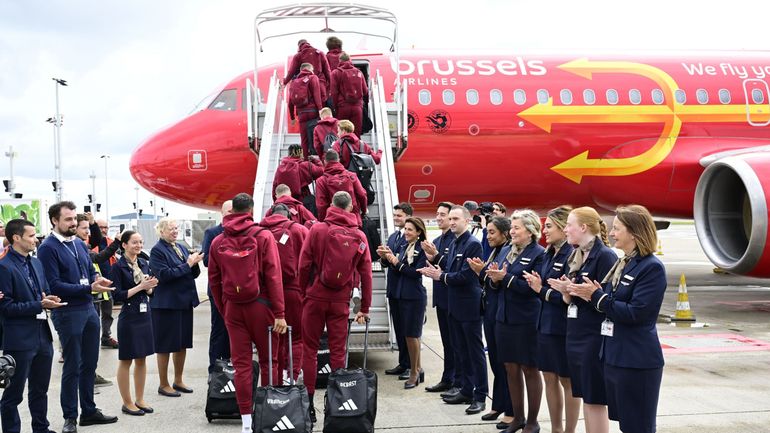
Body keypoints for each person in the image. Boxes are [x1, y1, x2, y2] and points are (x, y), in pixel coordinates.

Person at [569, 205, 667, 433]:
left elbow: (636, 313)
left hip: (636, 359)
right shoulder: (626, 263)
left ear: (633, 233)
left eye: (617, 229)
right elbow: (610, 300)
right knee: (626, 424)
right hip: (616, 356)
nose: (611, 233)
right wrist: (593, 295)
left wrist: (598, 297)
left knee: (638, 426)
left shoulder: (651, 268)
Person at [208, 193, 288, 433]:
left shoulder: (218, 241)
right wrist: (280, 313)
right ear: (251, 210)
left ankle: (245, 422)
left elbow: (214, 282)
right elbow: (274, 276)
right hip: (261, 306)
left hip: (234, 308)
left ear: (231, 212)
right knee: (269, 361)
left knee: (241, 365)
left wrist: (225, 309)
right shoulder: (262, 236)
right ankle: (270, 415)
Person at [37, 202, 118, 433]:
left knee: (89, 365)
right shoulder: (48, 248)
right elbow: (53, 285)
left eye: (74, 219)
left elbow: (90, 269)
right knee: (72, 366)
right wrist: (88, 288)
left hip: (89, 309)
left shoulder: (79, 245)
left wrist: (96, 279)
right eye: (68, 219)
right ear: (55, 220)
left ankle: (89, 412)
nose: (73, 223)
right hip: (67, 312)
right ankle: (70, 417)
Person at [298, 191, 372, 424]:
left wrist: (303, 291)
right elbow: (366, 274)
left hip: (315, 297)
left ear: (331, 205)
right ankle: (336, 405)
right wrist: (365, 307)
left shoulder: (318, 229)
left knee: (309, 349)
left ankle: (308, 404)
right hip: (341, 300)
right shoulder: (359, 236)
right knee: (338, 351)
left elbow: (303, 264)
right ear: (350, 208)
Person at [548, 207, 616, 433]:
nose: (565, 229)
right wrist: (567, 292)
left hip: (592, 335)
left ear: (583, 227)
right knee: (586, 395)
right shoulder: (577, 255)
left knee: (594, 397)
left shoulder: (604, 256)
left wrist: (579, 292)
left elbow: (607, 300)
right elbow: (572, 300)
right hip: (576, 333)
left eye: (569, 224)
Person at [419, 205, 488, 415]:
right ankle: (466, 390)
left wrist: (441, 277)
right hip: (455, 305)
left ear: (467, 221)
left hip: (468, 306)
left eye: (456, 218)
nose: (452, 222)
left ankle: (480, 396)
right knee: (461, 350)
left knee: (475, 353)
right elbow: (450, 267)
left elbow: (467, 276)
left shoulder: (473, 244)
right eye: (451, 219)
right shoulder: (456, 242)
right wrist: (437, 258)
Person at [0, 219, 65, 433]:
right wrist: (38, 304)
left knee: (40, 389)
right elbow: (7, 307)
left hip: (42, 335)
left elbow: (42, 292)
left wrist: (48, 299)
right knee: (13, 395)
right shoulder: (4, 266)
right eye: (31, 235)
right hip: (19, 339)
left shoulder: (36, 263)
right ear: (16, 238)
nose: (35, 239)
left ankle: (41, 428)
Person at [483, 210, 545, 433]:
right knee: (509, 367)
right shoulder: (507, 251)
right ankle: (517, 417)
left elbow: (532, 289)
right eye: (512, 228)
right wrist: (493, 278)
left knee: (530, 368)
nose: (512, 231)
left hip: (526, 320)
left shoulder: (539, 254)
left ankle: (533, 421)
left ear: (529, 230)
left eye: (516, 227)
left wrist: (505, 278)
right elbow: (494, 280)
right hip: (503, 317)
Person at [523, 206, 581, 433]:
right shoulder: (549, 252)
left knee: (567, 380)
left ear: (562, 227)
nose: (544, 230)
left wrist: (540, 289)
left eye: (549, 226)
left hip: (562, 324)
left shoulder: (571, 254)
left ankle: (569, 431)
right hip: (545, 323)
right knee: (548, 376)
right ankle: (556, 428)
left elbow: (566, 294)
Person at [467, 216, 514, 428]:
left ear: (505, 233)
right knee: (495, 361)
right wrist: (481, 273)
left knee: (504, 364)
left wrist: (483, 274)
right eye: (487, 231)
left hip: (501, 313)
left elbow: (500, 280)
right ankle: (499, 404)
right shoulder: (496, 250)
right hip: (490, 310)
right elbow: (490, 279)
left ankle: (509, 408)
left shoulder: (507, 251)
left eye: (493, 232)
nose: (488, 236)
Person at [149, 218, 203, 398]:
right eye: (171, 229)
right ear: (161, 231)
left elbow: (191, 273)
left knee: (182, 344)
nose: (175, 231)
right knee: (165, 345)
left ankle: (178, 380)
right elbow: (164, 275)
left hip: (183, 302)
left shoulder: (180, 247)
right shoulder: (157, 251)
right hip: (166, 305)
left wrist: (194, 263)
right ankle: (163, 384)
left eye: (176, 228)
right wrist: (187, 264)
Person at [260, 203, 310, 383]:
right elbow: (308, 262)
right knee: (296, 337)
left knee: (275, 338)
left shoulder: (259, 231)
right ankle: (292, 375)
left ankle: (277, 377)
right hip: (293, 290)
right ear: (289, 215)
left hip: (266, 294)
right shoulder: (298, 230)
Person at [111, 231, 159, 416]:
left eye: (140, 242)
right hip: (129, 317)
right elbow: (117, 295)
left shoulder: (144, 263)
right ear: (124, 245)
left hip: (145, 314)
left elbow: (151, 292)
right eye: (134, 242)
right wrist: (140, 287)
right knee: (126, 359)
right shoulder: (118, 266)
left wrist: (150, 288)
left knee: (142, 358)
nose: (138, 246)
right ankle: (127, 402)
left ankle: (140, 399)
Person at [382, 217, 428, 389]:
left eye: (410, 229)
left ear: (418, 232)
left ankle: (414, 372)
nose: (406, 232)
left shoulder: (422, 249)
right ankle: (416, 369)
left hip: (413, 296)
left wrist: (397, 262)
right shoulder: (404, 246)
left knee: (412, 335)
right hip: (401, 294)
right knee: (407, 334)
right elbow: (397, 268)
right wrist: (387, 258)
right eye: (406, 229)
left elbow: (416, 272)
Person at [420, 202, 459, 394]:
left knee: (456, 344)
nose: (439, 217)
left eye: (444, 215)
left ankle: (456, 381)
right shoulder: (439, 239)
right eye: (438, 214)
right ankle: (448, 378)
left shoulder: (454, 240)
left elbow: (452, 268)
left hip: (453, 298)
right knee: (447, 343)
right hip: (442, 298)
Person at [377, 202, 413, 380]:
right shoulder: (393, 237)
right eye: (395, 215)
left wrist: (392, 259)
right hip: (394, 290)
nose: (396, 218)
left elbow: (406, 265)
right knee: (399, 328)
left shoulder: (411, 239)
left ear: (408, 216)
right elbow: (387, 263)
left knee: (408, 330)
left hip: (406, 290)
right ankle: (403, 363)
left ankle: (411, 365)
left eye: (399, 215)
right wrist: (384, 258)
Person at [200, 200, 233, 375]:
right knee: (219, 330)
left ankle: (232, 366)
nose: (231, 214)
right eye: (228, 211)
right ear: (222, 213)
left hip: (237, 290)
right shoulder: (212, 233)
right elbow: (206, 260)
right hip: (218, 289)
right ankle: (215, 369)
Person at [89, 219, 120, 349]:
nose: (103, 229)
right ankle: (92, 340)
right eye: (100, 227)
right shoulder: (89, 242)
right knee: (94, 315)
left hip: (107, 283)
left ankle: (106, 337)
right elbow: (100, 257)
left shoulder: (109, 242)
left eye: (106, 227)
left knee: (107, 312)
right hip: (93, 285)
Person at [315, 150, 367, 226]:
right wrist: (364, 211)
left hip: (333, 223)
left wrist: (324, 222)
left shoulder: (321, 181)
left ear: (325, 162)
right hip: (353, 220)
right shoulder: (351, 176)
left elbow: (321, 205)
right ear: (338, 160)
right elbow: (362, 194)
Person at [288, 64, 324, 159]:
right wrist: (320, 109)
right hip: (313, 112)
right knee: (315, 137)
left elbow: (290, 103)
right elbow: (317, 95)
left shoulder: (294, 82)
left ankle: (305, 161)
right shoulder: (313, 78)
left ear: (301, 70)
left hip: (301, 114)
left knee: (304, 140)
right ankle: (316, 160)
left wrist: (292, 117)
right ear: (310, 69)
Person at [330, 53, 369, 136]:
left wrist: (335, 107)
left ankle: (343, 149)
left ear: (340, 61)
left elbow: (334, 92)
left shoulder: (335, 73)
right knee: (356, 134)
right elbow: (365, 91)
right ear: (350, 60)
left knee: (342, 134)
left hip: (343, 107)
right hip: (357, 107)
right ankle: (356, 148)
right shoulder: (358, 72)